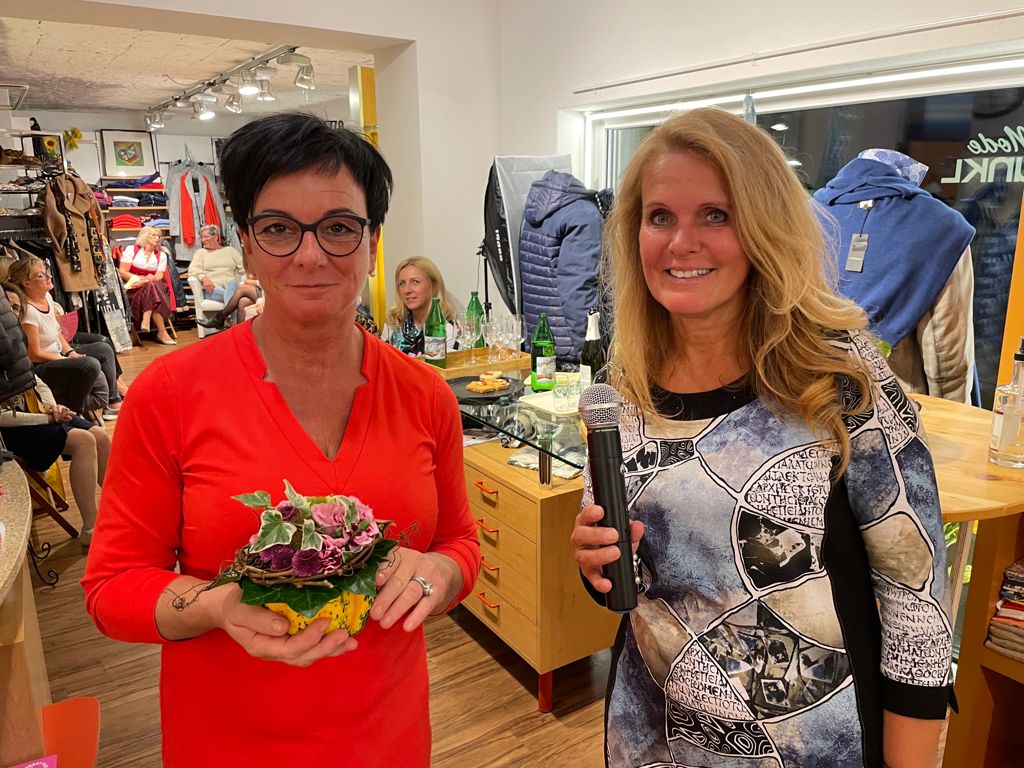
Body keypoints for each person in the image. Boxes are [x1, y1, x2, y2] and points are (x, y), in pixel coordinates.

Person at [81, 112, 481, 767]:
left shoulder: (425, 394)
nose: (310, 255)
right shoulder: (170, 394)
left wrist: (441, 572)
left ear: (373, 243)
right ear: (247, 242)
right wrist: (217, 607)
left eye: (339, 228)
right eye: (278, 229)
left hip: (388, 738)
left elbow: (460, 544)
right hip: (227, 743)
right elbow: (112, 588)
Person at [570, 109, 952, 768]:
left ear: (763, 225)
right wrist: (598, 566)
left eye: (715, 215)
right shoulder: (622, 388)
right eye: (660, 216)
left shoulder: (839, 375)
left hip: (810, 745)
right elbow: (633, 582)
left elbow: (915, 599)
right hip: (652, 736)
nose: (681, 241)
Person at [1, 283, 109, 546]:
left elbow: (35, 380)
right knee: (83, 440)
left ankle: (117, 510)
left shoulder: (14, 344)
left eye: (16, 308)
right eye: (8, 308)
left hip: (40, 411)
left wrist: (53, 407)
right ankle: (91, 527)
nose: (13, 314)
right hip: (14, 428)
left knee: (100, 436)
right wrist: (46, 417)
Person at [8, 257, 120, 419]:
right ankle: (74, 411)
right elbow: (34, 354)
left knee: (104, 348)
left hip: (58, 354)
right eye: (41, 275)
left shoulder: (47, 298)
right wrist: (62, 358)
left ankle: (113, 401)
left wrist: (70, 352)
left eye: (46, 272)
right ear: (26, 283)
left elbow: (57, 332)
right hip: (42, 365)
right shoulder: (29, 312)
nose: (49, 277)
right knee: (90, 364)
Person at [381, 256, 458, 355]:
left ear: (434, 286)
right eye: (402, 283)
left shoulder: (447, 328)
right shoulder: (393, 325)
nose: (407, 290)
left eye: (415, 282)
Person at [119, 226, 177, 345]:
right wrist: (141, 279)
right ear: (145, 236)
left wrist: (146, 281)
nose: (157, 238)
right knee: (152, 287)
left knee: (152, 286)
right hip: (135, 287)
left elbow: (159, 276)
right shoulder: (131, 250)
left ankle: (146, 318)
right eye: (154, 235)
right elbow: (122, 272)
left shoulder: (161, 255)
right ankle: (162, 332)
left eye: (158, 236)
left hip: (156, 287)